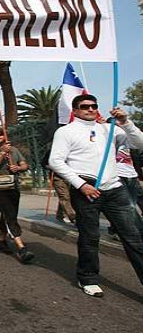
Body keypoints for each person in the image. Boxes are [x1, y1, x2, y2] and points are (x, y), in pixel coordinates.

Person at [49, 94, 143, 297]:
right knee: (90, 237)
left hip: (115, 189)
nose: (90, 109)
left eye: (94, 106)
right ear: (75, 110)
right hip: (87, 189)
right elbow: (55, 161)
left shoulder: (109, 129)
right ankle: (88, 278)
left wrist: (126, 122)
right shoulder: (66, 132)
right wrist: (81, 185)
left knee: (134, 237)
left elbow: (140, 143)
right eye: (85, 106)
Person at [0, 127, 35, 264]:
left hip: (13, 186)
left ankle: (1, 239)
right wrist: (2, 153)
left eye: (0, 133)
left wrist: (18, 168)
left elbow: (24, 165)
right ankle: (21, 247)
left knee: (9, 214)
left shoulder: (14, 150)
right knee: (9, 213)